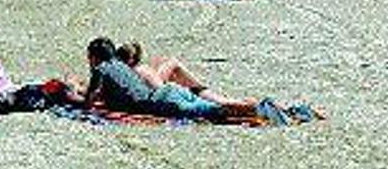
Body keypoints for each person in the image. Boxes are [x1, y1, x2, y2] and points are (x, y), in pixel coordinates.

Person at [81, 37, 262, 122]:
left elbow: (88, 102)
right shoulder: (121, 65)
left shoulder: (101, 69)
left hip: (162, 103)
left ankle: (258, 107)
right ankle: (253, 106)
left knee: (217, 110)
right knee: (214, 106)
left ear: (94, 57)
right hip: (169, 91)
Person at [116, 42, 255, 108]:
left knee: (223, 103)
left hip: (174, 95)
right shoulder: (143, 69)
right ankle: (252, 104)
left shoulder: (135, 72)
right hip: (183, 92)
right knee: (225, 101)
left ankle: (250, 105)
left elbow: (158, 87)